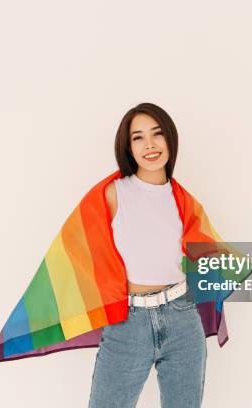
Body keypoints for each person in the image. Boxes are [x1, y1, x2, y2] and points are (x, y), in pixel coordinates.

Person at [88, 103, 207, 408]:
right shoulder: (112, 195)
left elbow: (204, 258)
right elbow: (82, 255)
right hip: (128, 322)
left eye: (157, 134)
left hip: (182, 319)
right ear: (128, 147)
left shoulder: (185, 202)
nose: (150, 145)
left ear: (170, 139)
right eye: (138, 137)